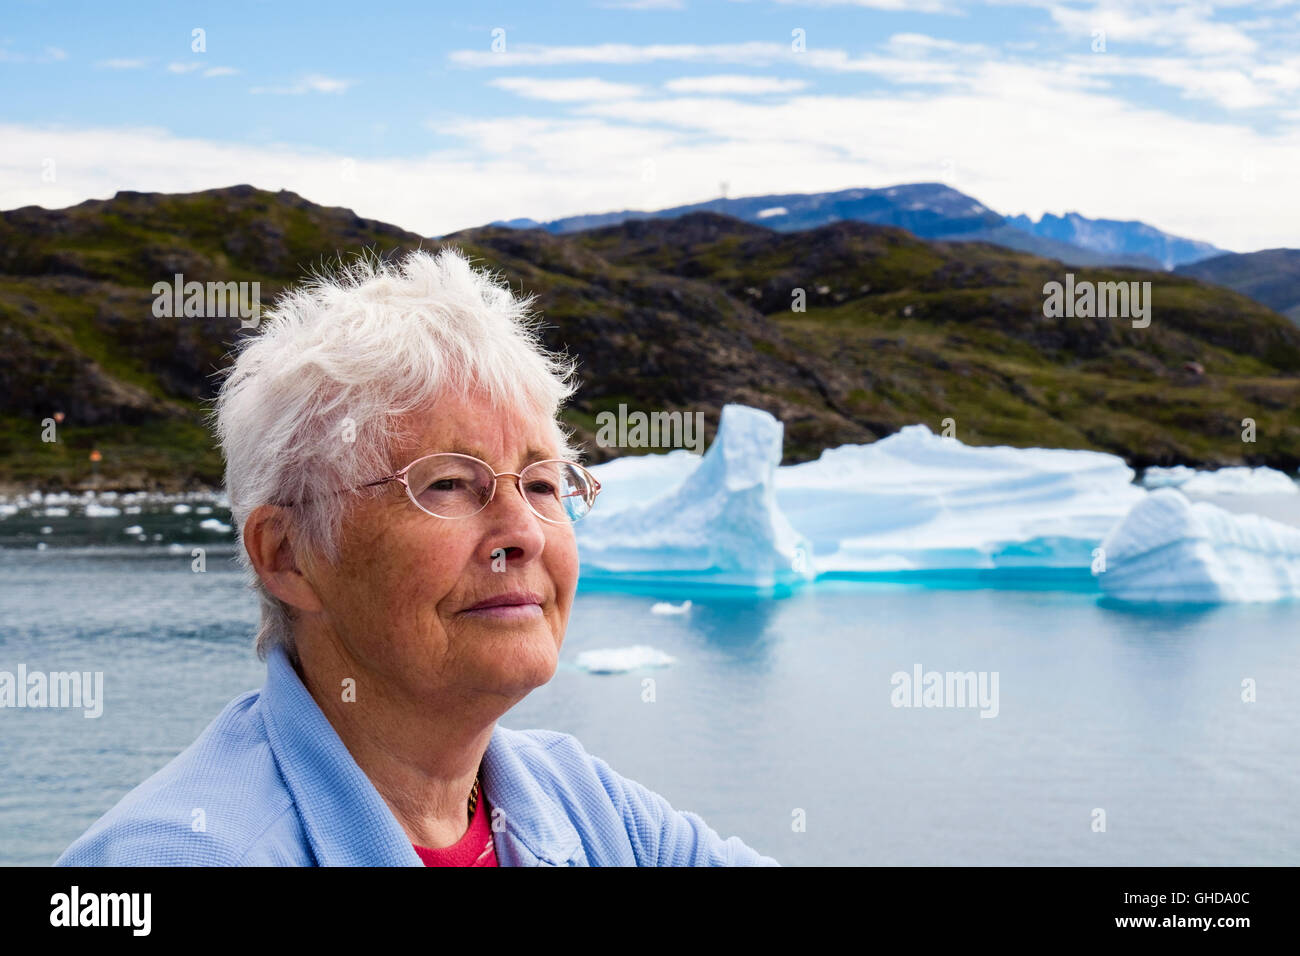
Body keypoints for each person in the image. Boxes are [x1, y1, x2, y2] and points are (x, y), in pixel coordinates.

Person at [56, 247, 778, 866]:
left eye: (542, 482)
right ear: (289, 556)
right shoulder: (176, 855)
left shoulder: (587, 809)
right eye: (449, 483)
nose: (521, 531)